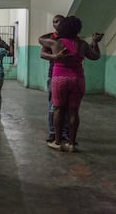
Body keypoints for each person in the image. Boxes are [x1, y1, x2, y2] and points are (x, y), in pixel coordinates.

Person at [39, 16, 102, 152]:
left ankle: (57, 142)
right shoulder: (83, 44)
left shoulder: (56, 43)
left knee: (58, 109)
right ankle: (71, 144)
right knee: (73, 111)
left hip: (59, 79)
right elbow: (96, 56)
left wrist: (55, 54)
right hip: (78, 80)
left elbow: (40, 39)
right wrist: (95, 42)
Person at [40, 15, 69, 142]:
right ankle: (53, 131)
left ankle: (65, 132)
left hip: (70, 75)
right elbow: (42, 54)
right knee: (54, 105)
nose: (55, 24)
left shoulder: (71, 37)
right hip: (54, 75)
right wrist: (56, 56)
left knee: (68, 107)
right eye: (54, 22)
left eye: (58, 21)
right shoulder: (51, 38)